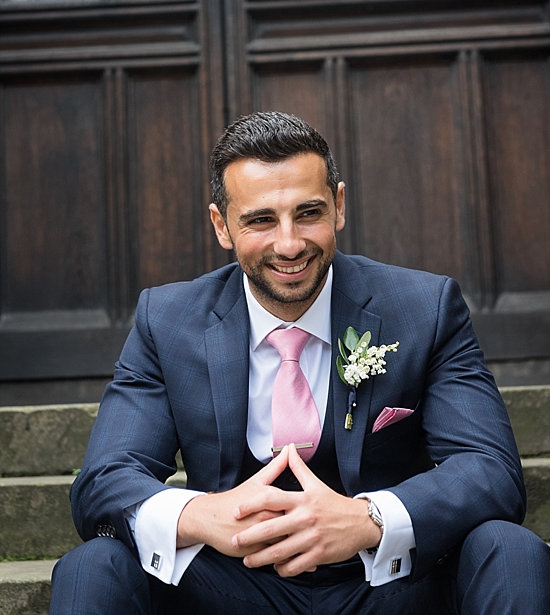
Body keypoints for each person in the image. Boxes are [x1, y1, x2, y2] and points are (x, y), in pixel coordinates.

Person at [50, 111, 550, 615]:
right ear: (222, 226)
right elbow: (105, 478)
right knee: (92, 566)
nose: (289, 244)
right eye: (261, 220)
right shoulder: (168, 320)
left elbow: (492, 471)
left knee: (511, 549)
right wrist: (202, 514)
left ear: (339, 206)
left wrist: (370, 519)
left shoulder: (425, 308)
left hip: (388, 587)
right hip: (228, 589)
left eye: (308, 213)